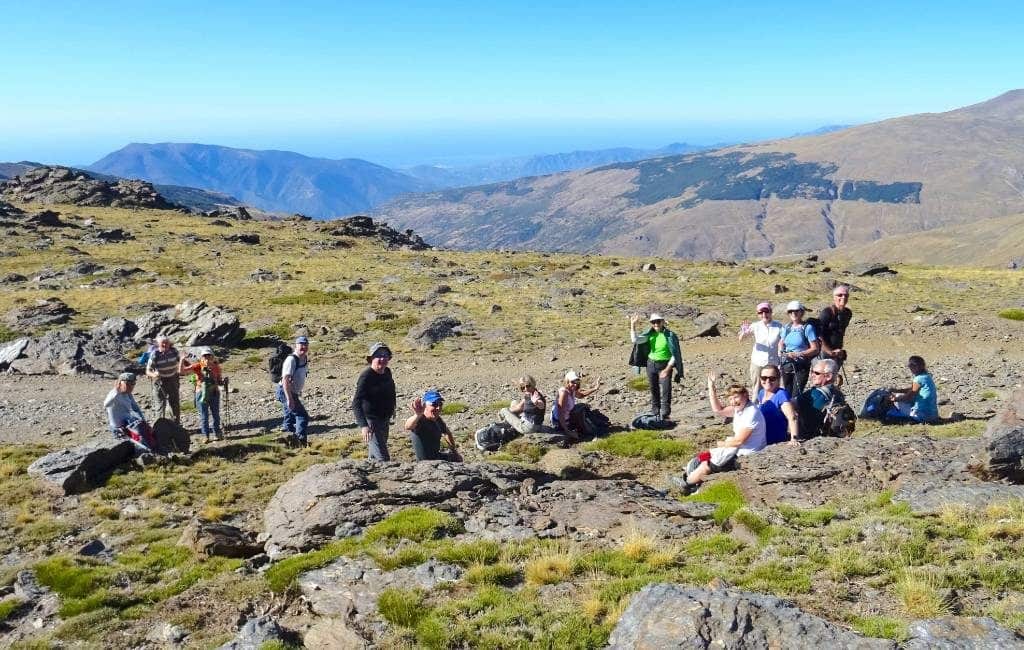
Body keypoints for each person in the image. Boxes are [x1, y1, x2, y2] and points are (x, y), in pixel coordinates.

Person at [675, 384, 767, 495]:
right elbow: (718, 410)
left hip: (745, 454)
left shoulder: (751, 413)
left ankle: (686, 484)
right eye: (731, 399)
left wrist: (722, 443)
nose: (733, 401)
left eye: (736, 397)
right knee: (704, 455)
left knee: (707, 464)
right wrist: (711, 388)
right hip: (736, 449)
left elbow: (739, 441)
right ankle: (692, 477)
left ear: (746, 395)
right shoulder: (739, 409)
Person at [706, 367, 798, 446]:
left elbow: (792, 416)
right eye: (764, 378)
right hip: (759, 438)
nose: (767, 381)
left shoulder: (781, 395)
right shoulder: (762, 393)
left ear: (778, 379)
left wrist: (794, 438)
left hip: (772, 439)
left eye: (772, 378)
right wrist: (711, 387)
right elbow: (719, 410)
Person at [629, 312, 683, 422]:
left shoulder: (670, 335)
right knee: (654, 389)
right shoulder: (649, 334)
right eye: (653, 322)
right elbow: (635, 340)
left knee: (666, 390)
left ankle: (665, 414)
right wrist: (632, 325)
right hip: (651, 364)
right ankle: (655, 412)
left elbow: (674, 354)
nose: (656, 324)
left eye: (658, 321)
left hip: (665, 365)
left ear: (663, 322)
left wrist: (667, 369)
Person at [353, 342, 397, 460]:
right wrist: (364, 426)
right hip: (371, 421)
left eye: (385, 355)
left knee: (374, 455)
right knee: (383, 457)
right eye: (378, 355)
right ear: (371, 358)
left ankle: (369, 475)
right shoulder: (366, 376)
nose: (382, 359)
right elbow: (356, 403)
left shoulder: (387, 372)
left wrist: (393, 407)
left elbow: (391, 389)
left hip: (384, 419)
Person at [777, 300, 820, 398]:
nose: (793, 313)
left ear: (801, 312)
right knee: (787, 393)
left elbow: (815, 349)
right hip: (786, 364)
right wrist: (781, 352)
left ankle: (796, 412)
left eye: (796, 311)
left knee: (796, 395)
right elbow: (781, 342)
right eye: (790, 311)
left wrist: (798, 354)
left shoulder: (808, 328)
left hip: (801, 366)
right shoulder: (787, 327)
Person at [796, 358, 847, 438]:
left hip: (811, 436)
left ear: (828, 376)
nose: (811, 375)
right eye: (811, 372)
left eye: (816, 373)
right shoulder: (838, 393)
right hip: (834, 434)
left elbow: (789, 405)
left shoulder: (813, 394)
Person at [181, 347, 224, 442]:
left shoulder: (216, 367)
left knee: (215, 415)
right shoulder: (198, 366)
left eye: (209, 355)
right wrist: (182, 360)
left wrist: (223, 381)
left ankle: (217, 433)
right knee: (204, 416)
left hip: (214, 393)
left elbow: (219, 380)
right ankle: (206, 436)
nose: (207, 358)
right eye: (205, 356)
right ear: (202, 357)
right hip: (201, 393)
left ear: (212, 357)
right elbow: (182, 371)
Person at [739, 302, 784, 392]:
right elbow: (741, 339)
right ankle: (756, 404)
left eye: (766, 311)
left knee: (773, 387)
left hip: (773, 362)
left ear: (771, 312)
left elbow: (785, 340)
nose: (764, 315)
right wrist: (744, 332)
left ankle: (773, 405)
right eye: (761, 313)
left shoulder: (779, 326)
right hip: (758, 362)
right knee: (757, 387)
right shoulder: (755, 326)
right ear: (758, 314)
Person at [404, 390, 461, 461]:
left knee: (457, 459)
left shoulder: (437, 419)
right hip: (426, 463)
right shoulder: (420, 419)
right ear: (424, 405)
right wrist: (417, 415)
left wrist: (454, 451)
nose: (438, 408)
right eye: (434, 404)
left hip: (436, 457)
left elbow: (447, 433)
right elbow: (408, 426)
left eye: (440, 404)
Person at [104, 372, 154, 450]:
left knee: (146, 435)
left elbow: (136, 409)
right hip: (118, 428)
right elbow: (106, 404)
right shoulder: (113, 394)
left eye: (133, 384)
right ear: (121, 383)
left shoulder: (128, 394)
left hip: (128, 424)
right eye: (128, 384)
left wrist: (145, 423)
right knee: (141, 446)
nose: (131, 387)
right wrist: (116, 392)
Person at [277, 335, 310, 447]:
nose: (303, 346)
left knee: (289, 418)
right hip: (286, 391)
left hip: (293, 392)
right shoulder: (291, 360)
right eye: (301, 344)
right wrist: (290, 399)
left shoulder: (304, 358)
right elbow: (285, 380)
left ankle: (287, 443)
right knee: (302, 416)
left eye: (305, 344)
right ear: (296, 346)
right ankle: (301, 442)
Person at [551, 370, 602, 440]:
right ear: (567, 382)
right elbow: (560, 413)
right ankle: (588, 432)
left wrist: (595, 388)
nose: (575, 384)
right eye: (573, 382)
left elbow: (581, 395)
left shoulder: (572, 389)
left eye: (576, 382)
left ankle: (588, 428)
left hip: (567, 417)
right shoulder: (564, 393)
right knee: (581, 411)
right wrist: (567, 431)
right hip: (559, 422)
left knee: (582, 407)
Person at [887, 356, 939, 423]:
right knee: (901, 396)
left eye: (910, 366)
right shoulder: (927, 376)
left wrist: (894, 399)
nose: (910, 368)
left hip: (921, 416)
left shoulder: (918, 379)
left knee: (898, 398)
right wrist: (897, 390)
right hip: (933, 415)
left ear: (914, 366)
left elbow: (909, 396)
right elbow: (913, 389)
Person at [145, 335, 182, 423]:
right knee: (160, 405)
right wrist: (154, 375)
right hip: (160, 381)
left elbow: (180, 361)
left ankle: (176, 425)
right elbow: (148, 371)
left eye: (166, 343)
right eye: (163, 343)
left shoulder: (174, 351)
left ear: (169, 344)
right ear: (158, 344)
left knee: (175, 403)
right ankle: (160, 427)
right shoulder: (155, 354)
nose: (165, 345)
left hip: (173, 379)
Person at [818, 284, 853, 368]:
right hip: (824, 351)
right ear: (834, 297)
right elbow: (818, 334)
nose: (843, 297)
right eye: (840, 295)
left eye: (846, 295)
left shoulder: (848, 313)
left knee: (833, 376)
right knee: (823, 377)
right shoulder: (827, 312)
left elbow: (841, 331)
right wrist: (829, 351)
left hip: (838, 350)